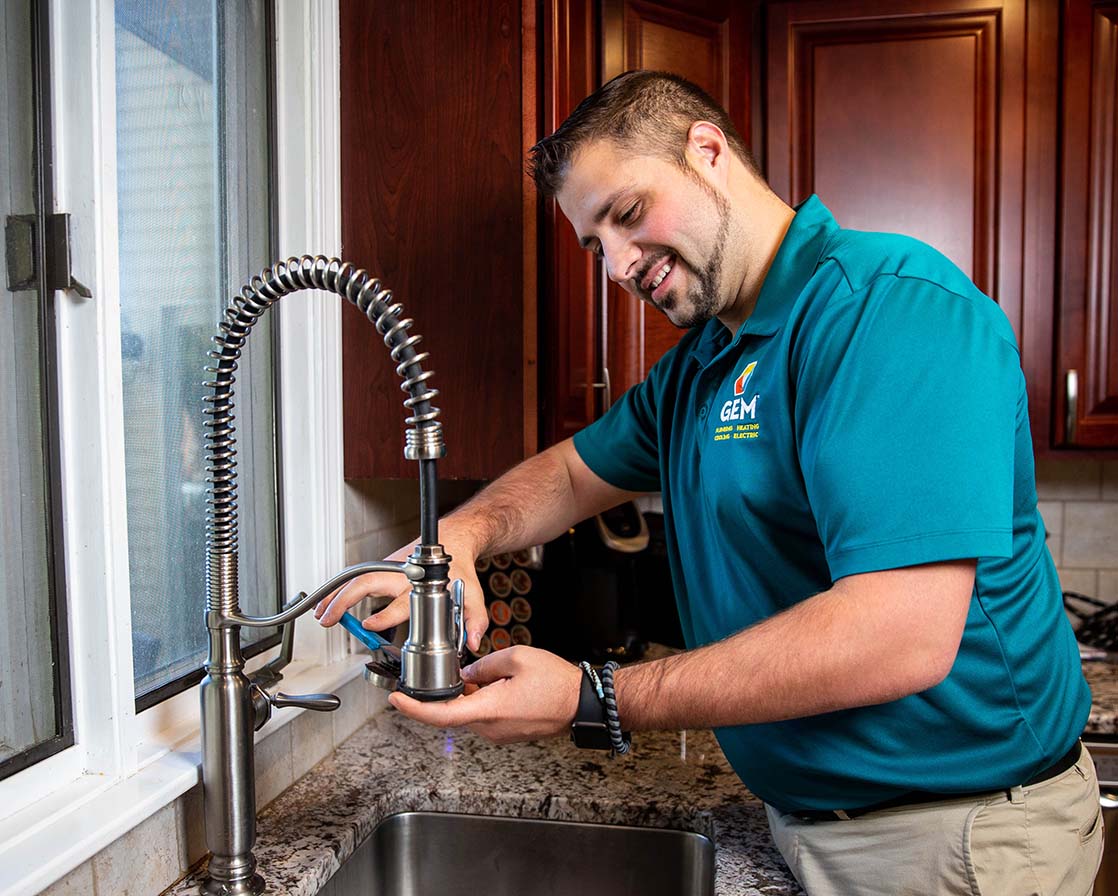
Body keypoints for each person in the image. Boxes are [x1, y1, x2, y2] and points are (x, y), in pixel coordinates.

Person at [316, 71, 1102, 895]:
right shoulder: (702, 365)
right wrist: (459, 540)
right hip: (807, 825)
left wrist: (595, 697)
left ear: (707, 150)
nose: (617, 265)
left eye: (626, 215)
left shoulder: (888, 309)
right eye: (596, 246)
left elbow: (901, 634)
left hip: (959, 838)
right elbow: (572, 473)